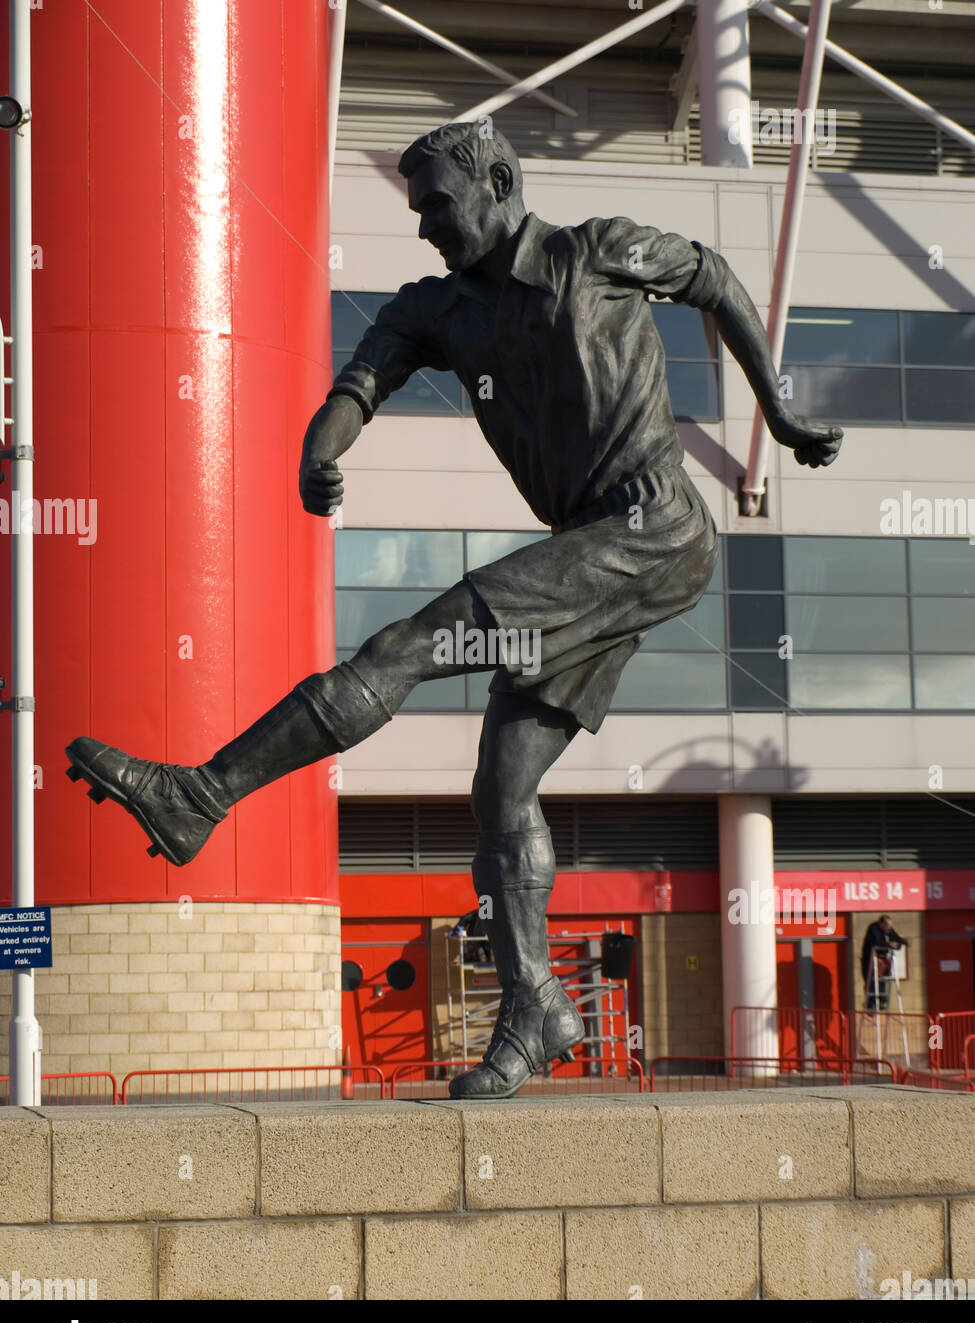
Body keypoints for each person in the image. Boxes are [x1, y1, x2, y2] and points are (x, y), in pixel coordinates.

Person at [65, 122, 842, 1099]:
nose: (426, 226)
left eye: (437, 204)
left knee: (402, 646)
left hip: (652, 528)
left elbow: (717, 277)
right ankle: (536, 1006)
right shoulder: (436, 311)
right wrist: (321, 447)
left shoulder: (595, 251)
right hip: (594, 552)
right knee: (503, 788)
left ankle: (204, 793)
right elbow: (362, 380)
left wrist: (778, 409)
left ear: (502, 182)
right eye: (416, 210)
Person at [861, 914, 907, 1010]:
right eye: (887, 926)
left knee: (882, 980)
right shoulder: (873, 929)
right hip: (870, 961)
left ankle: (882, 1001)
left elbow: (896, 939)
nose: (888, 929)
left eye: (890, 926)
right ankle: (871, 1004)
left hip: (883, 961)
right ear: (881, 924)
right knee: (872, 983)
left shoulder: (888, 929)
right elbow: (876, 943)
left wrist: (901, 941)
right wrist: (890, 944)